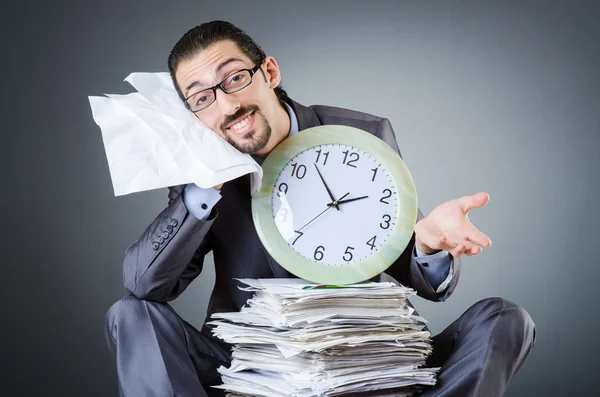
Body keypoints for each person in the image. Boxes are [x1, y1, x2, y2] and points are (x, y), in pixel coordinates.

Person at [104, 20, 536, 397]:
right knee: (130, 315)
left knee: (504, 319)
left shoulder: (362, 133)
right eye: (202, 98)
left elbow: (412, 268)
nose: (227, 105)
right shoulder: (200, 174)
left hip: (364, 363)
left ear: (269, 72)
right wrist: (204, 184)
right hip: (251, 368)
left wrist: (427, 244)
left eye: (234, 79)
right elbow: (144, 286)